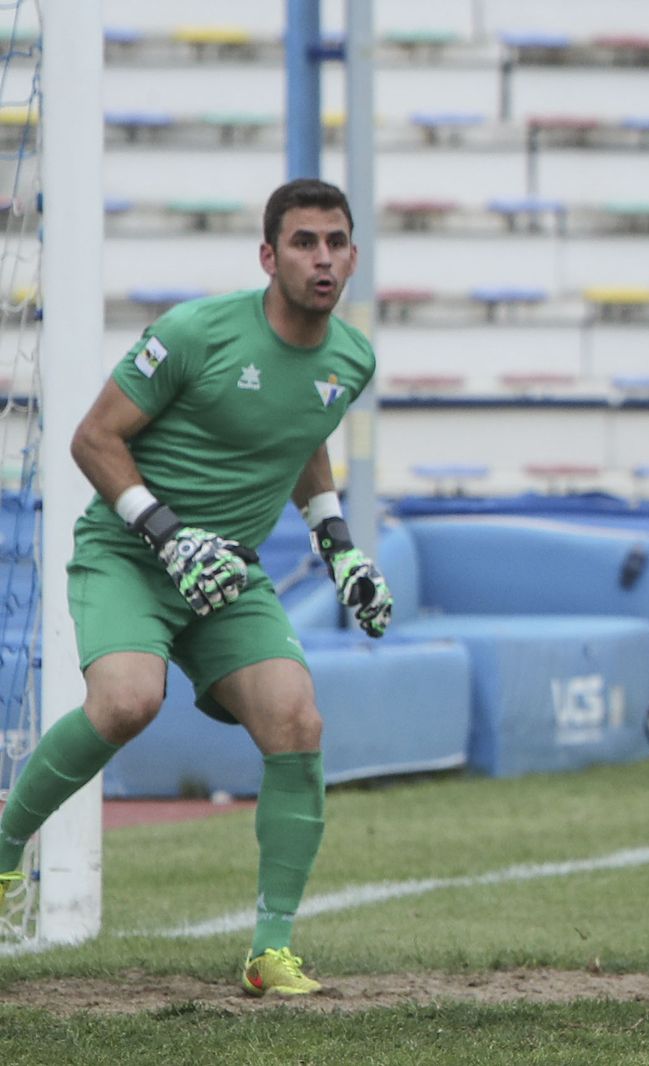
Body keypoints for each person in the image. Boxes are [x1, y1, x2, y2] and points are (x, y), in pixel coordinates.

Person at [0, 178, 393, 993]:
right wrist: (167, 534)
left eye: (335, 243)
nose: (322, 258)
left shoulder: (352, 359)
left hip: (227, 575)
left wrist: (340, 549)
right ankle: (5, 854)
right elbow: (93, 438)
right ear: (268, 257)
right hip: (131, 553)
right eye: (304, 242)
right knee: (126, 702)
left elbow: (301, 436)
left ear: (354, 256)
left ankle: (270, 954)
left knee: (297, 720)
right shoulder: (194, 332)